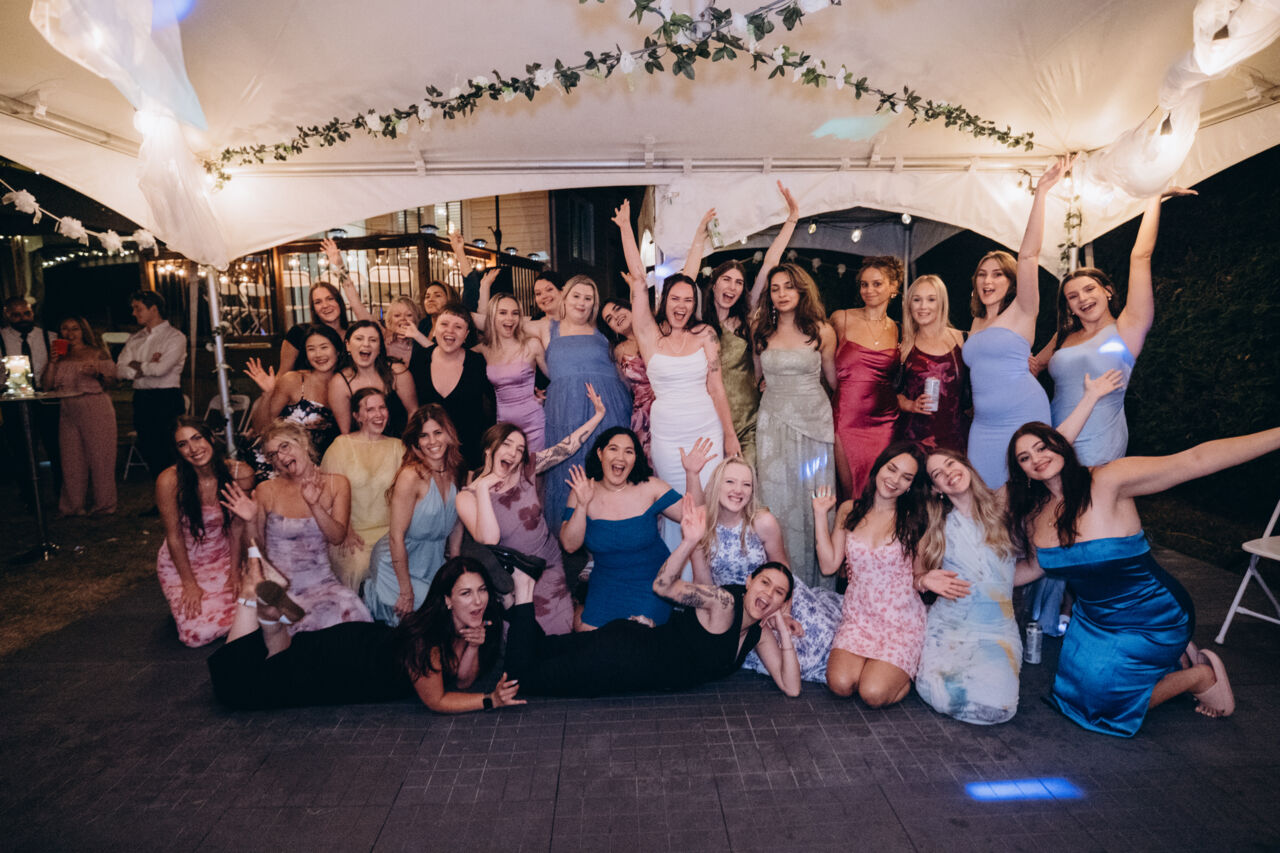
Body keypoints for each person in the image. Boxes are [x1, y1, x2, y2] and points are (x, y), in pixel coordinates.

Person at [1006, 420, 1280, 736]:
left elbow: (1195, 460)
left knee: (1103, 707)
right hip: (1094, 620)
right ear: (1021, 470)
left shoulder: (1107, 480)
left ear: (1060, 445)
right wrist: (971, 583)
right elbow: (1032, 568)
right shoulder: (1037, 515)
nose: (1036, 459)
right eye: (1025, 457)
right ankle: (1177, 659)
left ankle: (1198, 677)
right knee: (1073, 695)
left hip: (1153, 614)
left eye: (1041, 447)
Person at [505, 501, 801, 698]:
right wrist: (689, 541)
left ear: (782, 602)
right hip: (620, 658)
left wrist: (781, 629)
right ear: (749, 582)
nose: (768, 594)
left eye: (778, 592)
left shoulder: (758, 633)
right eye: (765, 583)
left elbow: (792, 688)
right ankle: (523, 586)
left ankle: (508, 601)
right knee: (520, 680)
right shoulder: (724, 602)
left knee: (539, 648)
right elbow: (662, 586)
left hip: (631, 650)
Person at [208, 555, 520, 713]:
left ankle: (269, 615)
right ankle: (251, 597)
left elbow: (462, 681)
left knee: (278, 659)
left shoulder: (463, 629)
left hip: (357, 649)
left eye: (481, 590)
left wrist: (472, 645)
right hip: (340, 664)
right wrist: (489, 700)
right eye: (466, 593)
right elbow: (437, 700)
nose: (478, 601)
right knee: (234, 689)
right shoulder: (426, 642)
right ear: (448, 600)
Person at [456, 384, 606, 634]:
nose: (514, 454)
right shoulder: (467, 497)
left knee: (560, 630)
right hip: (514, 578)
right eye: (507, 445)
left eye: (520, 449)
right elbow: (489, 538)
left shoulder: (524, 469)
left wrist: (598, 415)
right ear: (489, 448)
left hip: (550, 563)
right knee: (522, 636)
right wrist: (483, 487)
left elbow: (566, 447)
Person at [614, 202, 738, 493]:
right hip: (668, 436)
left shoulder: (706, 334)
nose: (681, 305)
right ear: (664, 302)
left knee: (709, 499)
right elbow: (639, 281)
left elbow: (717, 388)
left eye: (688, 300)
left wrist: (730, 434)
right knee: (675, 501)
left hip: (707, 430)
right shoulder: (650, 338)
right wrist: (625, 228)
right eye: (674, 299)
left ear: (694, 304)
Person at [963, 157, 1069, 489]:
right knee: (983, 496)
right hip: (983, 426)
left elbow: (1028, 255)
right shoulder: (976, 322)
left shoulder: (1023, 309)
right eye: (982, 274)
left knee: (1027, 497)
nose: (987, 281)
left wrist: (1041, 193)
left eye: (997, 274)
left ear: (1011, 281)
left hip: (1023, 417)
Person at [679, 183, 802, 466]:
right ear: (714, 284)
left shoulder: (746, 319)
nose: (732, 287)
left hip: (748, 419)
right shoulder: (698, 322)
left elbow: (770, 262)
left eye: (738, 282)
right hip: (708, 418)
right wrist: (699, 235)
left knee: (748, 480)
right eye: (726, 280)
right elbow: (686, 280)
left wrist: (792, 219)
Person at [691, 457, 842, 683]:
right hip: (737, 611)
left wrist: (783, 613)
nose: (738, 490)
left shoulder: (763, 522)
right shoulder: (702, 525)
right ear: (716, 485)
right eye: (730, 482)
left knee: (817, 650)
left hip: (777, 597)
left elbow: (783, 568)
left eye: (746, 484)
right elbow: (704, 583)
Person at [221, 420, 371, 633]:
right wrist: (250, 521)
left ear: (303, 443)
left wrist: (315, 505)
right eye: (273, 455)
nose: (281, 457)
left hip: (323, 583)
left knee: (350, 618)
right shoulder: (266, 490)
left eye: (285, 446)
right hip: (281, 589)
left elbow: (337, 537)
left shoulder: (337, 483)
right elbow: (256, 549)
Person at [560, 428, 711, 629]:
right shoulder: (583, 491)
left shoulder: (650, 487)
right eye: (613, 449)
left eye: (629, 451)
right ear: (600, 453)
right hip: (606, 583)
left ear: (635, 459)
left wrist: (692, 474)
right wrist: (582, 505)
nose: (621, 457)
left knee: (637, 635)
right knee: (589, 636)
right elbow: (570, 545)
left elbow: (695, 516)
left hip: (652, 583)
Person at [813, 444, 929, 708]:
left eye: (906, 477)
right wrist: (820, 515)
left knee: (873, 693)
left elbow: (919, 573)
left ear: (911, 485)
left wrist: (928, 580)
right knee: (840, 684)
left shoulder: (914, 519)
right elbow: (829, 565)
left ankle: (905, 672)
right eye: (892, 469)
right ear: (878, 467)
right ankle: (879, 669)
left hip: (900, 621)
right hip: (859, 617)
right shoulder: (849, 510)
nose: (895, 480)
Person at [913, 448, 1021, 724]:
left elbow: (1046, 451)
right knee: (940, 693)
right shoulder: (936, 527)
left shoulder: (1002, 507)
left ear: (967, 467)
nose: (949, 473)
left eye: (951, 464)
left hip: (996, 628)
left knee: (1000, 709)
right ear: (937, 489)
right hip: (950, 625)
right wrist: (924, 580)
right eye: (938, 474)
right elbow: (916, 575)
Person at [752, 262, 837, 589]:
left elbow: (833, 381)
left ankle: (817, 588)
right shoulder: (761, 331)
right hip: (772, 426)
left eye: (788, 286)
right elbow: (756, 378)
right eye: (775, 288)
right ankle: (778, 585)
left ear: (802, 289)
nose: (782, 294)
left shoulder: (823, 331)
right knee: (776, 501)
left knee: (815, 500)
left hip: (814, 427)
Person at [536, 275, 633, 531]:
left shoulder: (604, 330)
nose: (581, 302)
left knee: (607, 468)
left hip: (608, 409)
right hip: (566, 411)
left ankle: (610, 531)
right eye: (576, 296)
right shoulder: (546, 327)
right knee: (570, 471)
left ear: (594, 303)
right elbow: (493, 323)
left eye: (588, 298)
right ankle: (573, 533)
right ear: (564, 297)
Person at [156, 417, 255, 647]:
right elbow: (174, 536)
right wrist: (189, 583)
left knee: (256, 610)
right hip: (184, 562)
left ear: (210, 437)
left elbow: (238, 527)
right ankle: (183, 603)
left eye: (197, 438)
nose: (193, 449)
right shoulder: (169, 481)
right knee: (198, 634)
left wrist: (235, 571)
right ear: (177, 451)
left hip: (225, 554)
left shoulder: (240, 472)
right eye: (183, 444)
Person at [364, 404, 465, 625]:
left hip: (433, 562)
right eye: (424, 435)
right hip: (396, 566)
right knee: (433, 617)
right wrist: (405, 590)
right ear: (416, 442)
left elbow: (457, 520)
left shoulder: (455, 470)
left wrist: (455, 567)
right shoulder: (411, 476)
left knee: (455, 609)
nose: (432, 441)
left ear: (449, 434)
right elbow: (395, 537)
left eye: (437, 432)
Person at [831, 256, 904, 497]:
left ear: (894, 287)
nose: (869, 290)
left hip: (885, 421)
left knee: (880, 490)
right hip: (846, 419)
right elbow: (811, 352)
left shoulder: (899, 329)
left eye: (877, 284)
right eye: (864, 284)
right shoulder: (840, 318)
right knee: (850, 492)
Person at [319, 388, 401, 590]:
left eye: (382, 407)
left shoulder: (398, 447)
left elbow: (409, 497)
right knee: (358, 567)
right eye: (370, 409)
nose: (378, 414)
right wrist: (344, 530)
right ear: (357, 416)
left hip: (390, 535)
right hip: (352, 535)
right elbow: (326, 497)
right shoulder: (340, 446)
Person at [42, 316, 117, 516]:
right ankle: (73, 506)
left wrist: (97, 374)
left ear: (83, 330)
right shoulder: (59, 356)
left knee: (100, 458)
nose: (70, 333)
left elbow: (112, 381)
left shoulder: (97, 352)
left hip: (94, 405)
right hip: (67, 408)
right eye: (65, 328)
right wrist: (52, 362)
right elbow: (47, 385)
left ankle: (104, 505)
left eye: (75, 328)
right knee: (71, 459)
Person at [406, 304, 496, 470]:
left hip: (470, 456)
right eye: (444, 324)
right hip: (428, 456)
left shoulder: (477, 363)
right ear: (435, 329)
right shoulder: (420, 360)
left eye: (458, 327)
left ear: (466, 334)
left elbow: (497, 401)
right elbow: (410, 408)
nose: (450, 331)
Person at [245, 324, 343, 472]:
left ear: (337, 350)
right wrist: (267, 394)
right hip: (276, 463)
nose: (318, 354)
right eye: (311, 349)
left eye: (324, 347)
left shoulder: (346, 383)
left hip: (318, 467)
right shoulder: (293, 380)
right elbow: (261, 428)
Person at [116, 290, 187, 485]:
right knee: (149, 449)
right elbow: (119, 369)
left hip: (166, 398)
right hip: (142, 398)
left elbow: (161, 369)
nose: (133, 313)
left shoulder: (175, 337)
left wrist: (137, 366)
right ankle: (161, 491)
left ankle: (179, 492)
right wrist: (142, 368)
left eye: (138, 308)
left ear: (154, 309)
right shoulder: (135, 338)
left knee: (171, 450)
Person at [896, 274, 969, 454]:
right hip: (914, 439)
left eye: (931, 299)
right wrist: (910, 405)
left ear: (941, 303)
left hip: (955, 437)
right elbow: (887, 392)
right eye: (917, 300)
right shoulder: (904, 344)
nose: (923, 306)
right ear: (909, 304)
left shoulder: (962, 339)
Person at [277, 237, 370, 375]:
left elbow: (359, 308)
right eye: (318, 302)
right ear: (313, 309)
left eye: (330, 299)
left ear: (340, 303)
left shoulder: (353, 336)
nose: (325, 305)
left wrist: (340, 266)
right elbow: (282, 375)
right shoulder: (298, 333)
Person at [1, 296, 61, 506]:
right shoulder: (2, 337)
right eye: (16, 315)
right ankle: (30, 497)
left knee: (55, 447)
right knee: (21, 450)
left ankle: (61, 494)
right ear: (7, 315)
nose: (23, 318)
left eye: (26, 313)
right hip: (13, 399)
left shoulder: (50, 337)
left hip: (46, 399)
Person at [476, 293, 549, 453]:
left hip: (534, 424)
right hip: (504, 427)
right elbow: (453, 353)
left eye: (515, 313)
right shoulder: (485, 348)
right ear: (492, 316)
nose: (510, 318)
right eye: (502, 313)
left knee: (535, 468)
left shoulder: (532, 344)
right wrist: (484, 285)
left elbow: (556, 377)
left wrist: (546, 394)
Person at [328, 320, 417, 438]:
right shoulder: (339, 383)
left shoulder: (397, 372)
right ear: (348, 345)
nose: (366, 344)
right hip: (362, 445)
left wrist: (407, 443)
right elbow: (346, 434)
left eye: (373, 340)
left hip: (402, 441)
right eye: (359, 339)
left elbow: (413, 412)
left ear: (380, 347)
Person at [601, 297, 654, 456]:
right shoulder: (618, 352)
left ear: (630, 307)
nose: (616, 317)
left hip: (671, 404)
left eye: (617, 309)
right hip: (643, 416)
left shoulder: (659, 330)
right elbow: (625, 387)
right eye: (609, 319)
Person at [382, 296, 422, 365]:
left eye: (409, 315)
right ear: (390, 320)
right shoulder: (383, 343)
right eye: (397, 315)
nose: (403, 319)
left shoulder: (421, 342)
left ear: (416, 319)